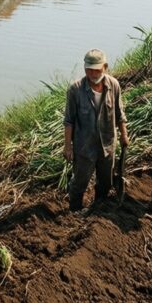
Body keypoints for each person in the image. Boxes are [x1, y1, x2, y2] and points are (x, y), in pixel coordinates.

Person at [63, 49, 130, 212]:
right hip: (84, 147)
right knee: (80, 182)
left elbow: (119, 113)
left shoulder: (113, 85)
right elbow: (69, 121)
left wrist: (124, 135)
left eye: (97, 70)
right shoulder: (75, 90)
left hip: (107, 145)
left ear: (105, 67)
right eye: (89, 69)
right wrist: (67, 146)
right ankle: (74, 209)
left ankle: (99, 208)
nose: (93, 73)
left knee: (106, 182)